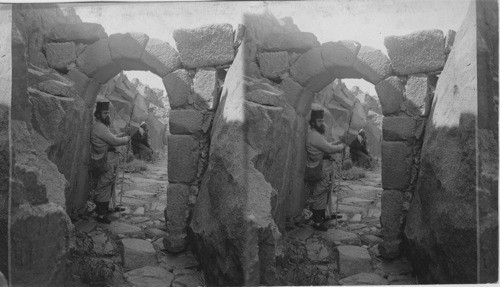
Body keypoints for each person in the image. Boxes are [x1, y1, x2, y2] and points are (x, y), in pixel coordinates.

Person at [305, 108, 346, 231]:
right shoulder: (314, 135)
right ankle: (318, 221)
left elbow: (326, 146)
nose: (321, 123)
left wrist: (337, 142)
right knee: (320, 193)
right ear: (312, 122)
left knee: (326, 191)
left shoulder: (316, 135)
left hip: (325, 166)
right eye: (319, 121)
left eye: (322, 120)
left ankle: (326, 214)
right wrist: (341, 146)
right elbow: (329, 149)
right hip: (321, 168)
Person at [90, 101, 131, 224]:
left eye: (108, 112)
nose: (107, 115)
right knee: (105, 184)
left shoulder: (103, 126)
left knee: (111, 183)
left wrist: (121, 135)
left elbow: (110, 137)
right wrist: (126, 138)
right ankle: (101, 214)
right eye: (104, 113)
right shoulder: (99, 127)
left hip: (110, 158)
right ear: (98, 114)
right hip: (106, 159)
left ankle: (110, 207)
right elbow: (113, 141)